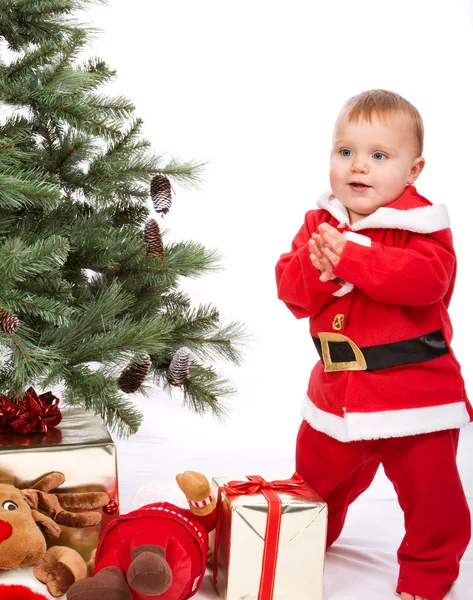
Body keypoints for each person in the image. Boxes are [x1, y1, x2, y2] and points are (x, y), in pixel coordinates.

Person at [275, 89, 472, 600]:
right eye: (345, 152)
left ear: (413, 170)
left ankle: (429, 571)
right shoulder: (320, 224)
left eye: (378, 156)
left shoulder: (422, 227)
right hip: (337, 392)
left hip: (415, 396)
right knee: (313, 483)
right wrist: (319, 267)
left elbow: (425, 282)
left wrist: (350, 259)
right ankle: (304, 540)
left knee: (432, 497)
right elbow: (291, 294)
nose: (358, 167)